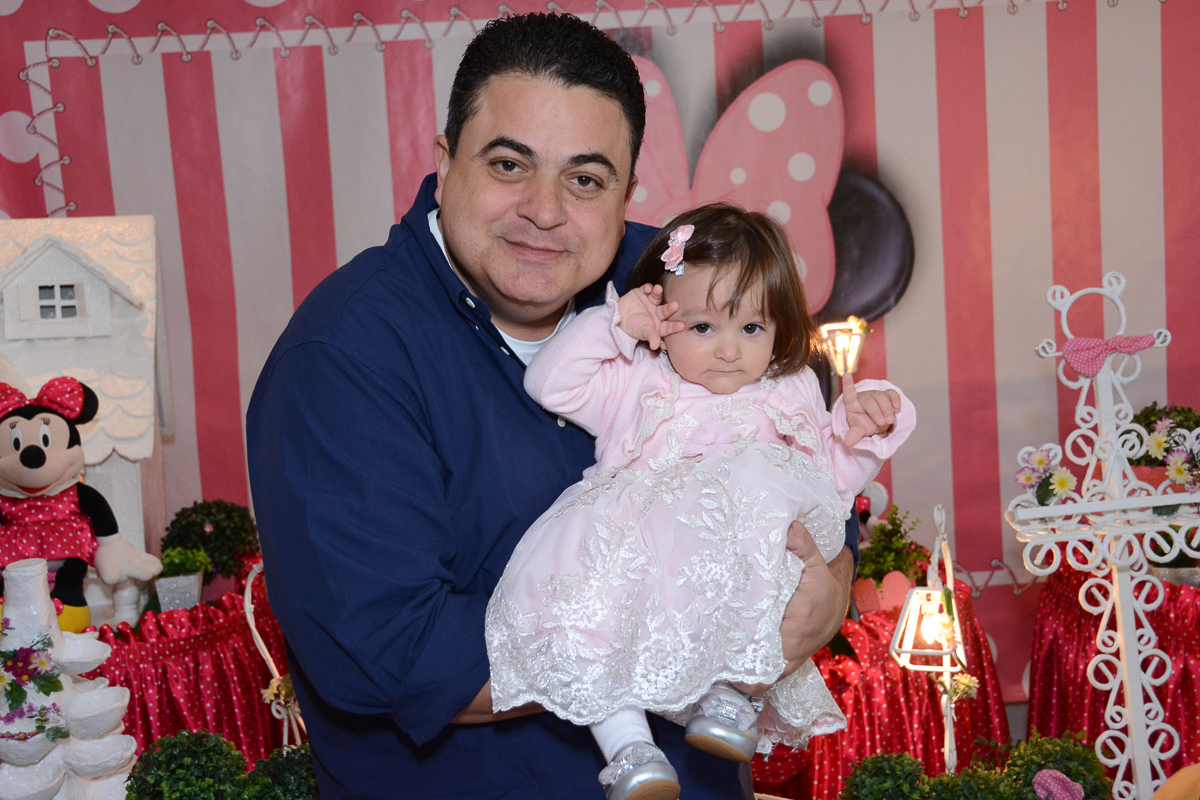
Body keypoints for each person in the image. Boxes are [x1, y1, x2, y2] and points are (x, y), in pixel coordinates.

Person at [246, 13, 858, 800]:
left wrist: (834, 577)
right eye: (510, 164)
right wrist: (679, 624)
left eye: (586, 178)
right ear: (444, 161)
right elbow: (388, 655)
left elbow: (799, 445)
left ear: (629, 190)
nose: (544, 209)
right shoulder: (345, 358)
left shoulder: (669, 283)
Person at [485, 204, 915, 800]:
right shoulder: (637, 376)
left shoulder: (786, 390)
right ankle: (631, 751)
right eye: (703, 328)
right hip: (642, 552)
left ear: (780, 330)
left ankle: (734, 695)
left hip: (731, 567)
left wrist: (864, 430)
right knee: (591, 618)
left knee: (776, 540)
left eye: (752, 328)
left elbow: (828, 481)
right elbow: (549, 382)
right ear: (663, 320)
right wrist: (614, 324)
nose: (729, 351)